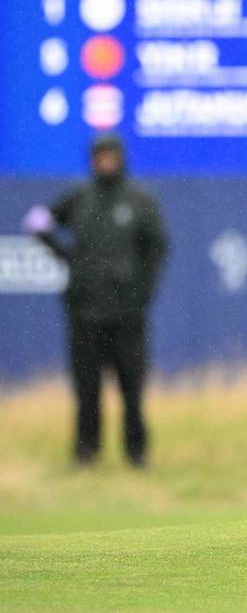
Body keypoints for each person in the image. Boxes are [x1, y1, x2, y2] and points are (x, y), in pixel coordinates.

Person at [23, 132, 168, 467]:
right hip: (85, 312)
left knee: (132, 388)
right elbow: (38, 221)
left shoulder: (138, 200)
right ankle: (86, 454)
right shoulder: (79, 198)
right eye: (99, 156)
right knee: (87, 389)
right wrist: (66, 257)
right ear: (92, 160)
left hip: (127, 315)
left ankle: (137, 453)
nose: (105, 162)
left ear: (121, 158)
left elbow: (157, 247)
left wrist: (142, 292)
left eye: (111, 156)